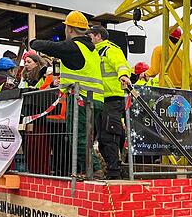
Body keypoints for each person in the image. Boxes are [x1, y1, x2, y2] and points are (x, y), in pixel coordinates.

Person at [30, 10, 104, 177]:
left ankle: (93, 170)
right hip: (96, 99)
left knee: (79, 137)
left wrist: (33, 42)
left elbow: (49, 46)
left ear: (69, 29)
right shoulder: (91, 49)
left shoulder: (73, 46)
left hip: (81, 98)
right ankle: (89, 170)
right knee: (86, 138)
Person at [88, 25, 131, 180]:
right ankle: (114, 169)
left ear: (98, 36)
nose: (89, 38)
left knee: (109, 136)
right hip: (102, 99)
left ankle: (114, 172)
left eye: (90, 35)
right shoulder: (94, 52)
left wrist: (123, 75)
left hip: (112, 98)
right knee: (103, 139)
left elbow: (121, 65)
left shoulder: (110, 50)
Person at [20, 51, 55, 175]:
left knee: (40, 148)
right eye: (25, 62)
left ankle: (42, 173)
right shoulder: (25, 77)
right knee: (30, 148)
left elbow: (46, 90)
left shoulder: (45, 74)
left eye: (29, 62)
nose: (26, 65)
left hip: (41, 116)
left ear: (36, 63)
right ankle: (32, 171)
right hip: (29, 116)